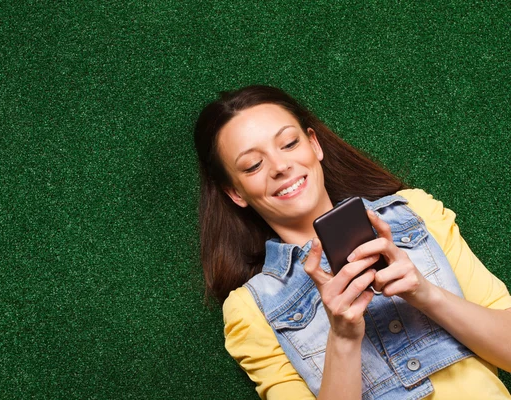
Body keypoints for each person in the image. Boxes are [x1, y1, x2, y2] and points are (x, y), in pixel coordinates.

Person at [193, 85, 511, 400]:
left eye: (288, 144)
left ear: (314, 144)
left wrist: (425, 294)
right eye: (253, 165)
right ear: (235, 192)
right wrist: (343, 339)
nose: (280, 167)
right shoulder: (251, 309)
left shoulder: (417, 212)